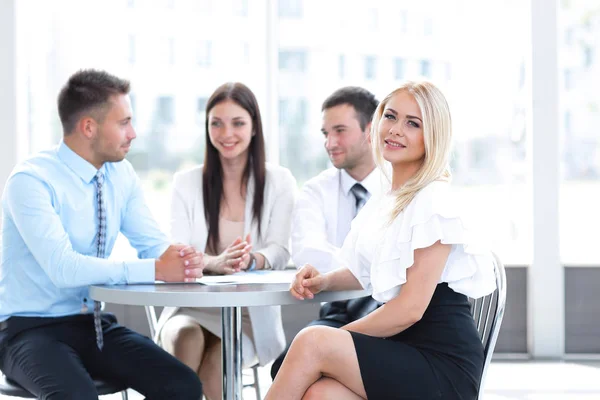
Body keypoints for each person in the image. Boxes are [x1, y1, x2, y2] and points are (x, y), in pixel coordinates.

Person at [265, 80, 497, 400]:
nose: (396, 129)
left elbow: (410, 309)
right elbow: (372, 270)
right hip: (403, 348)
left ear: (432, 136)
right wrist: (322, 281)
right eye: (390, 116)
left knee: (312, 342)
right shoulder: (389, 199)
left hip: (441, 364)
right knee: (320, 394)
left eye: (413, 123)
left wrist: (329, 344)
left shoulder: (434, 200)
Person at [0, 69, 204, 399]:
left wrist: (186, 259)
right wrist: (156, 268)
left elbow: (153, 246)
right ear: (89, 127)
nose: (133, 133)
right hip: (29, 329)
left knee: (182, 384)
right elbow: (63, 269)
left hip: (90, 324)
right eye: (123, 122)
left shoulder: (120, 174)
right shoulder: (31, 181)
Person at [157, 82, 296, 400]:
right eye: (216, 123)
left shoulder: (279, 181)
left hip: (247, 315)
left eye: (237, 123)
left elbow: (280, 249)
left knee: (217, 363)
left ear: (254, 127)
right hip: (191, 306)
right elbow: (176, 250)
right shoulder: (186, 182)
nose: (226, 133)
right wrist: (213, 263)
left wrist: (251, 260)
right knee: (184, 338)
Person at [270, 86, 383, 379]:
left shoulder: (398, 188)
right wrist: (373, 268)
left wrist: (353, 268)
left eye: (340, 130)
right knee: (285, 369)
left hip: (386, 312)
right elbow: (309, 255)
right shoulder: (316, 190)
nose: (330, 143)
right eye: (325, 133)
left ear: (369, 131)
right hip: (337, 311)